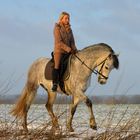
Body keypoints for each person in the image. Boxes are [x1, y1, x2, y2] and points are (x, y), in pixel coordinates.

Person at [52, 11, 77, 91]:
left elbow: (72, 42)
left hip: (69, 52)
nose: (68, 20)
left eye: (68, 18)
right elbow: (59, 43)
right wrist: (69, 49)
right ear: (61, 19)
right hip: (59, 51)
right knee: (57, 65)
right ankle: (55, 84)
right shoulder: (57, 28)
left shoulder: (70, 29)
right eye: (66, 18)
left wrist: (75, 50)